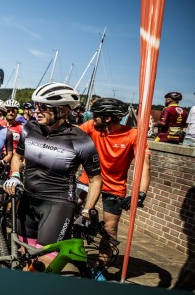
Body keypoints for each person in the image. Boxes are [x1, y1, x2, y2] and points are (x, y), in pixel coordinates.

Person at [2, 82, 102, 271]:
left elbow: (96, 179)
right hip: (28, 199)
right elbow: (18, 155)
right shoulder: (29, 128)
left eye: (44, 107)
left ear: (63, 111)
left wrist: (88, 210)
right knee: (25, 258)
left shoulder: (80, 139)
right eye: (36, 105)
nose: (36, 111)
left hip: (58, 204)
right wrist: (15, 175)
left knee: (43, 263)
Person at [77, 97, 150, 279]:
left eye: (95, 116)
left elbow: (145, 165)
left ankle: (101, 268)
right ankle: (76, 259)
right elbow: (69, 136)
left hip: (114, 187)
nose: (92, 119)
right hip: (88, 180)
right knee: (72, 218)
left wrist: (140, 193)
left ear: (108, 118)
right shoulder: (91, 127)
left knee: (110, 230)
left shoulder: (133, 135)